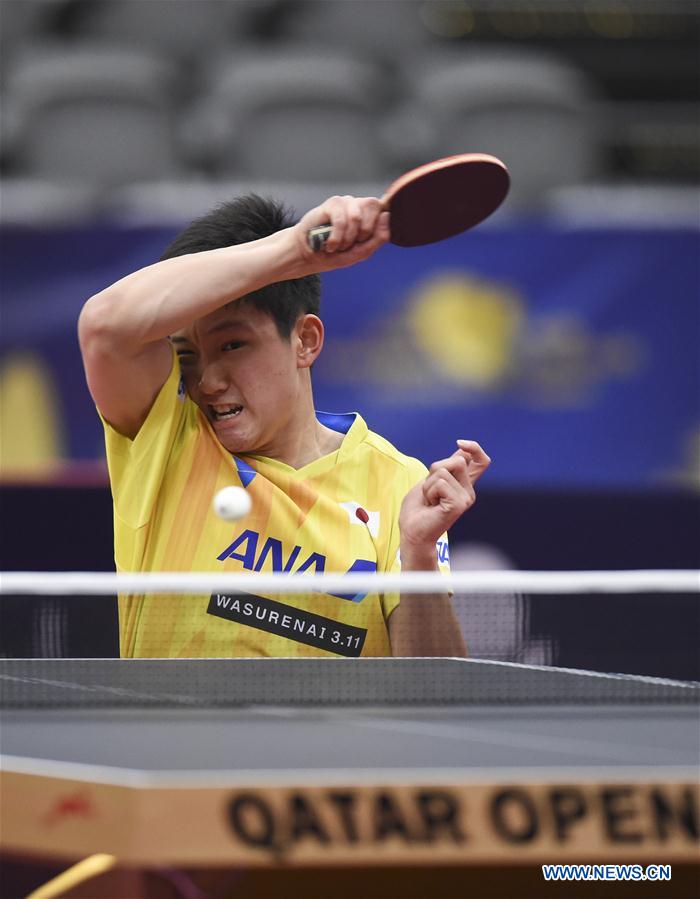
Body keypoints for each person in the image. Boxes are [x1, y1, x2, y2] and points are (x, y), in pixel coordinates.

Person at [78, 194, 490, 659]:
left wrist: (417, 554)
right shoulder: (165, 436)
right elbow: (104, 326)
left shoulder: (396, 483)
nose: (207, 381)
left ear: (305, 341)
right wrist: (296, 250)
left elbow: (433, 688)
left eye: (232, 345)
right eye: (186, 355)